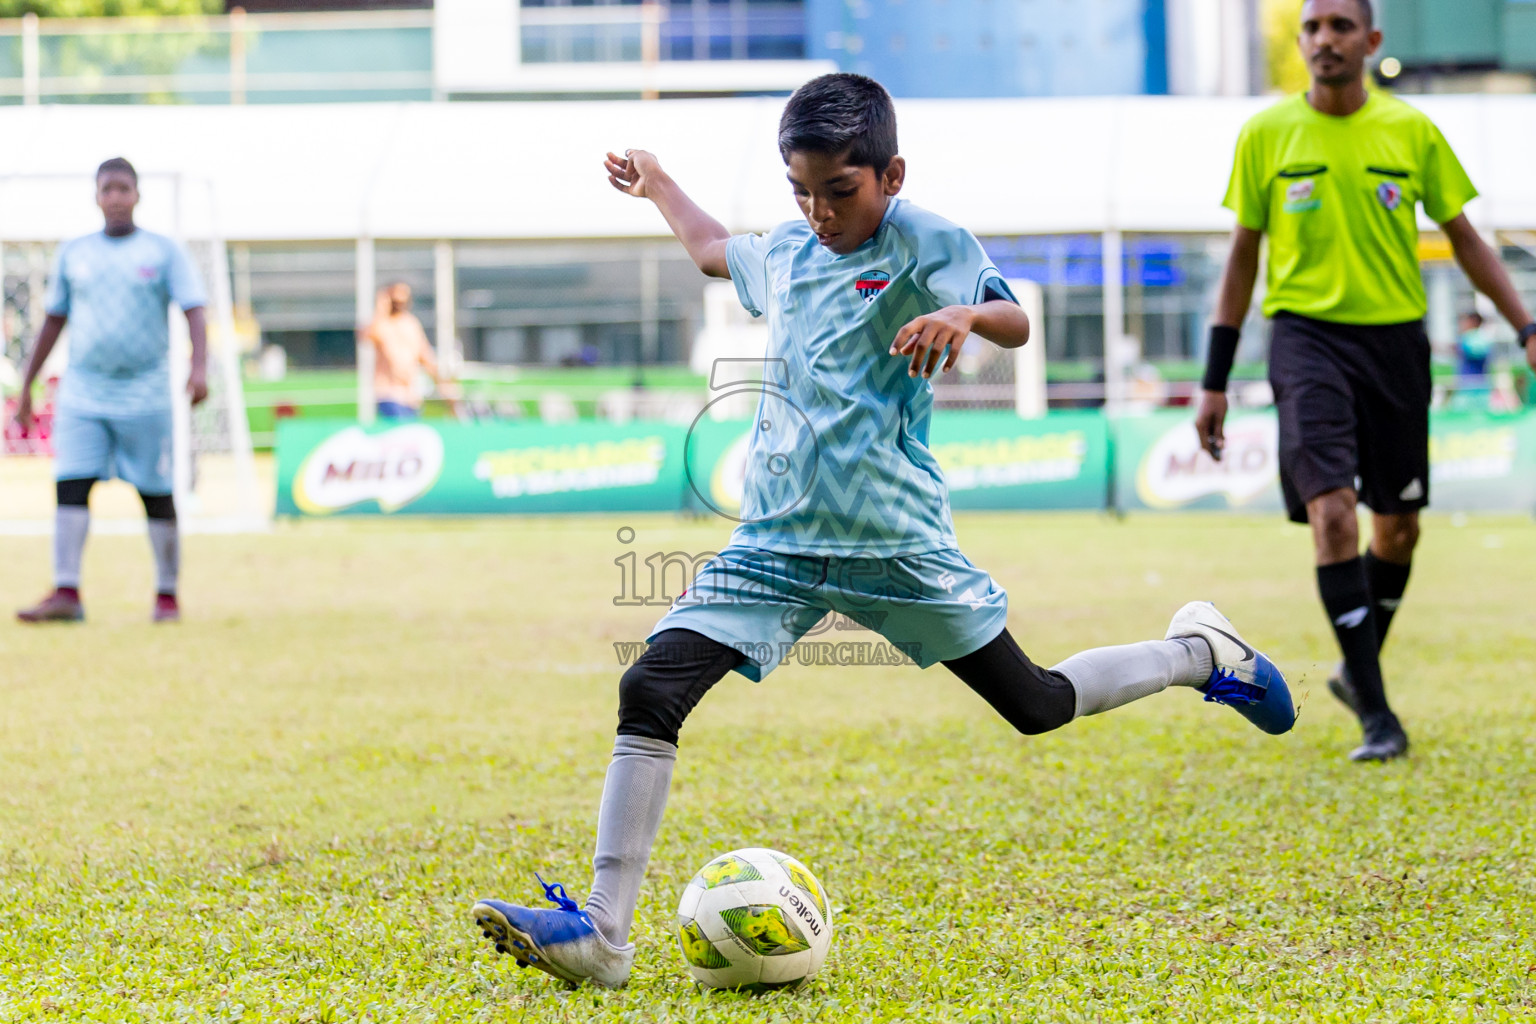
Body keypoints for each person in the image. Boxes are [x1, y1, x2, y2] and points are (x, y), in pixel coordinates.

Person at [469, 73, 1297, 990]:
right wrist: (659, 180)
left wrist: (962, 313)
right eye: (802, 192)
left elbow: (1015, 320)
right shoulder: (785, 250)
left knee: (1037, 705)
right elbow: (711, 249)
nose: (820, 211)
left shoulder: (925, 242)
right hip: (776, 546)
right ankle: (601, 932)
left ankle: (1197, 653)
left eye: (840, 191)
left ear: (890, 174)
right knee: (650, 685)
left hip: (895, 545)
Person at [1195, 0, 1536, 762]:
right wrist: (1214, 379)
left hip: (1395, 345)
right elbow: (1242, 260)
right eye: (1312, 27)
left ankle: (1358, 668)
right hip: (1305, 340)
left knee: (1399, 528)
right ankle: (1379, 717)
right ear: (1302, 41)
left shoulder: (1412, 131)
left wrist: (1527, 327)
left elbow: (1467, 240)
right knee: (1334, 517)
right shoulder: (1265, 134)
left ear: (1371, 40)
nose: (1324, 39)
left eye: (1340, 26)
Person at [13, 157, 208, 625]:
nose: (116, 197)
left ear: (137, 195)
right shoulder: (74, 253)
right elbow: (54, 319)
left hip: (146, 393)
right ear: (96, 196)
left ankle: (166, 596)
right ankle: (66, 592)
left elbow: (195, 309)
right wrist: (27, 386)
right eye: (107, 189)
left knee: (157, 492)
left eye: (124, 188)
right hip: (83, 392)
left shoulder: (163, 252)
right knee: (71, 485)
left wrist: (199, 365)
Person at [363, 281, 452, 420]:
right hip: (389, 396)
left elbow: (425, 356)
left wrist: (443, 385)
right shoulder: (383, 324)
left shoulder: (411, 324)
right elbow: (366, 335)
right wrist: (381, 309)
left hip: (411, 398)